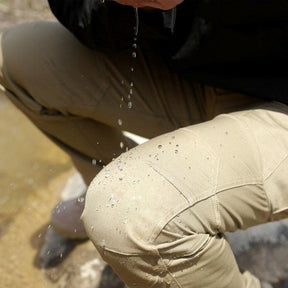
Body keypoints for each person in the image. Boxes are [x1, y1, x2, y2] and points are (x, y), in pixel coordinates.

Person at [0, 0, 287, 287]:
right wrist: (134, 7)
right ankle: (115, 186)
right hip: (203, 77)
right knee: (17, 55)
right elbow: (82, 17)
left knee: (129, 217)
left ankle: (141, 213)